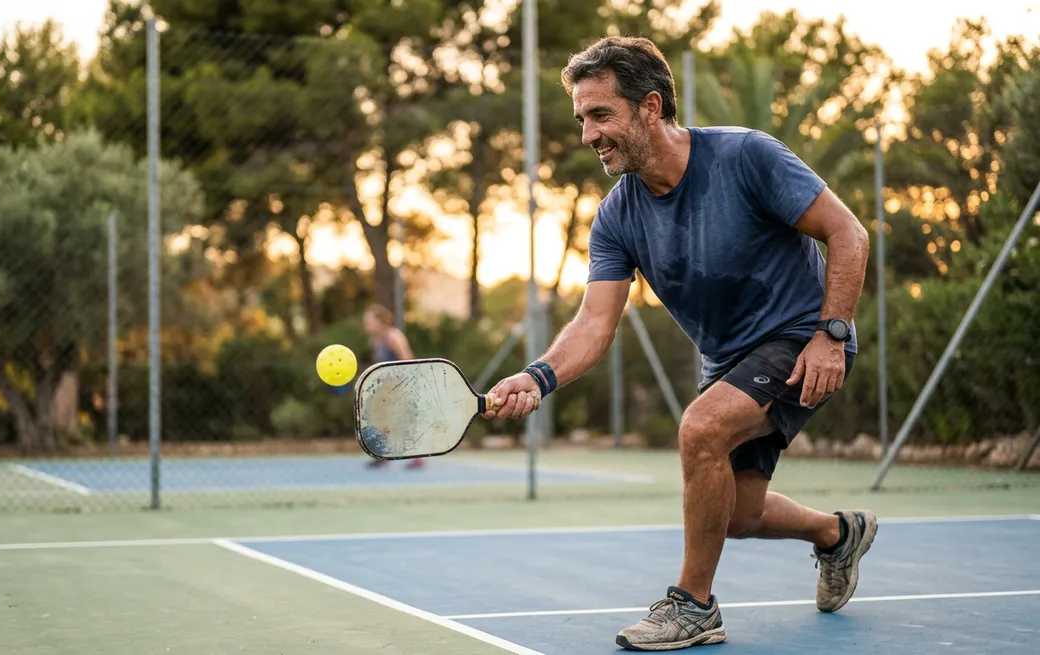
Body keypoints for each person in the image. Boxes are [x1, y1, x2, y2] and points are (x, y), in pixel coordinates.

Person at [481, 36, 877, 651]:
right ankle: (836, 534)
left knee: (701, 429)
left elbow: (847, 234)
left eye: (601, 115)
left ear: (651, 106)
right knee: (739, 516)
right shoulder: (617, 216)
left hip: (801, 334)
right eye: (582, 119)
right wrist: (536, 378)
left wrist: (833, 333)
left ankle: (694, 607)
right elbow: (593, 324)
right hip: (730, 360)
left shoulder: (747, 157)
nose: (588, 135)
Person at [361, 304, 425, 470]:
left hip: (402, 384)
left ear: (380, 321)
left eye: (369, 321)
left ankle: (417, 457)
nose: (366, 324)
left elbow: (408, 360)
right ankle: (383, 454)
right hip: (387, 387)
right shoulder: (376, 341)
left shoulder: (393, 336)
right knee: (381, 418)